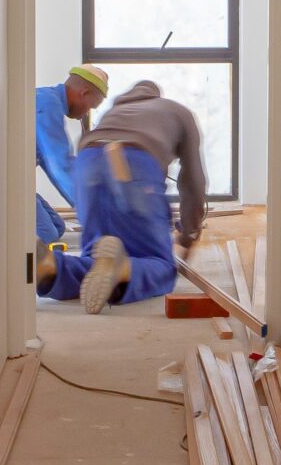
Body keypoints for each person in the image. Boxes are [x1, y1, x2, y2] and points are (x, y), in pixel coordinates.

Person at [35, 79, 207, 314]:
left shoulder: (115, 111)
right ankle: (123, 268)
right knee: (161, 264)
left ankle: (51, 267)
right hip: (133, 163)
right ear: (156, 96)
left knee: (96, 256)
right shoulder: (177, 111)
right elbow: (193, 181)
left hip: (86, 165)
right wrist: (189, 232)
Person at [35, 64, 111, 246]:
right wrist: (91, 213)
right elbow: (60, 164)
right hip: (0, 185)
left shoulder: (47, 100)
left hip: (15, 184)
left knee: (57, 227)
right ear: (83, 93)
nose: (85, 114)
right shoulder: (47, 103)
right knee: (46, 233)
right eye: (91, 106)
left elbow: (52, 163)